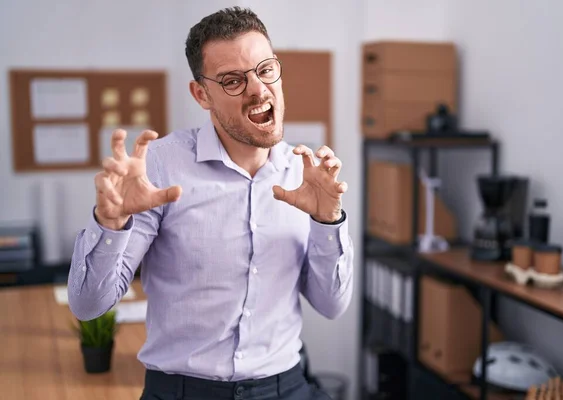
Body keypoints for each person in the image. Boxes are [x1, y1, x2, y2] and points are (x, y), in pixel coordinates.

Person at [67, 6, 354, 400]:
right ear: (202, 94)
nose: (258, 90)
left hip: (286, 387)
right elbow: (87, 305)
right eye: (233, 80)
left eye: (265, 70)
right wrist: (110, 223)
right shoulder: (161, 166)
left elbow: (331, 305)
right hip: (182, 391)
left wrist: (328, 221)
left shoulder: (304, 173)